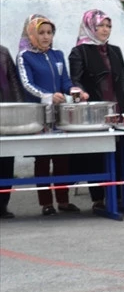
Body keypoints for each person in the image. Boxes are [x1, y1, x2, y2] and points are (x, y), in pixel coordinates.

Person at [68, 10, 124, 215]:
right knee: (97, 155)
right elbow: (76, 80)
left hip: (118, 110)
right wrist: (80, 92)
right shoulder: (78, 52)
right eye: (101, 25)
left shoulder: (115, 51)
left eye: (108, 26)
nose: (105, 30)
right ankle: (98, 198)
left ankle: (119, 196)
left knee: (119, 153)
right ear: (90, 26)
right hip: (95, 111)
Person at [18, 15, 79, 216]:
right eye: (41, 33)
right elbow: (27, 85)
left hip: (60, 115)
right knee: (43, 159)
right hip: (39, 115)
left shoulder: (58, 55)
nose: (46, 37)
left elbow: (66, 82)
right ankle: (45, 203)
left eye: (49, 33)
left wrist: (75, 91)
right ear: (32, 34)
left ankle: (63, 200)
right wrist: (48, 97)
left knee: (62, 158)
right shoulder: (25, 56)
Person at [0, 45, 20, 219]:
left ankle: (2, 205)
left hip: (6, 115)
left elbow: (14, 83)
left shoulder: (3, 52)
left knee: (6, 162)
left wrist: (19, 110)